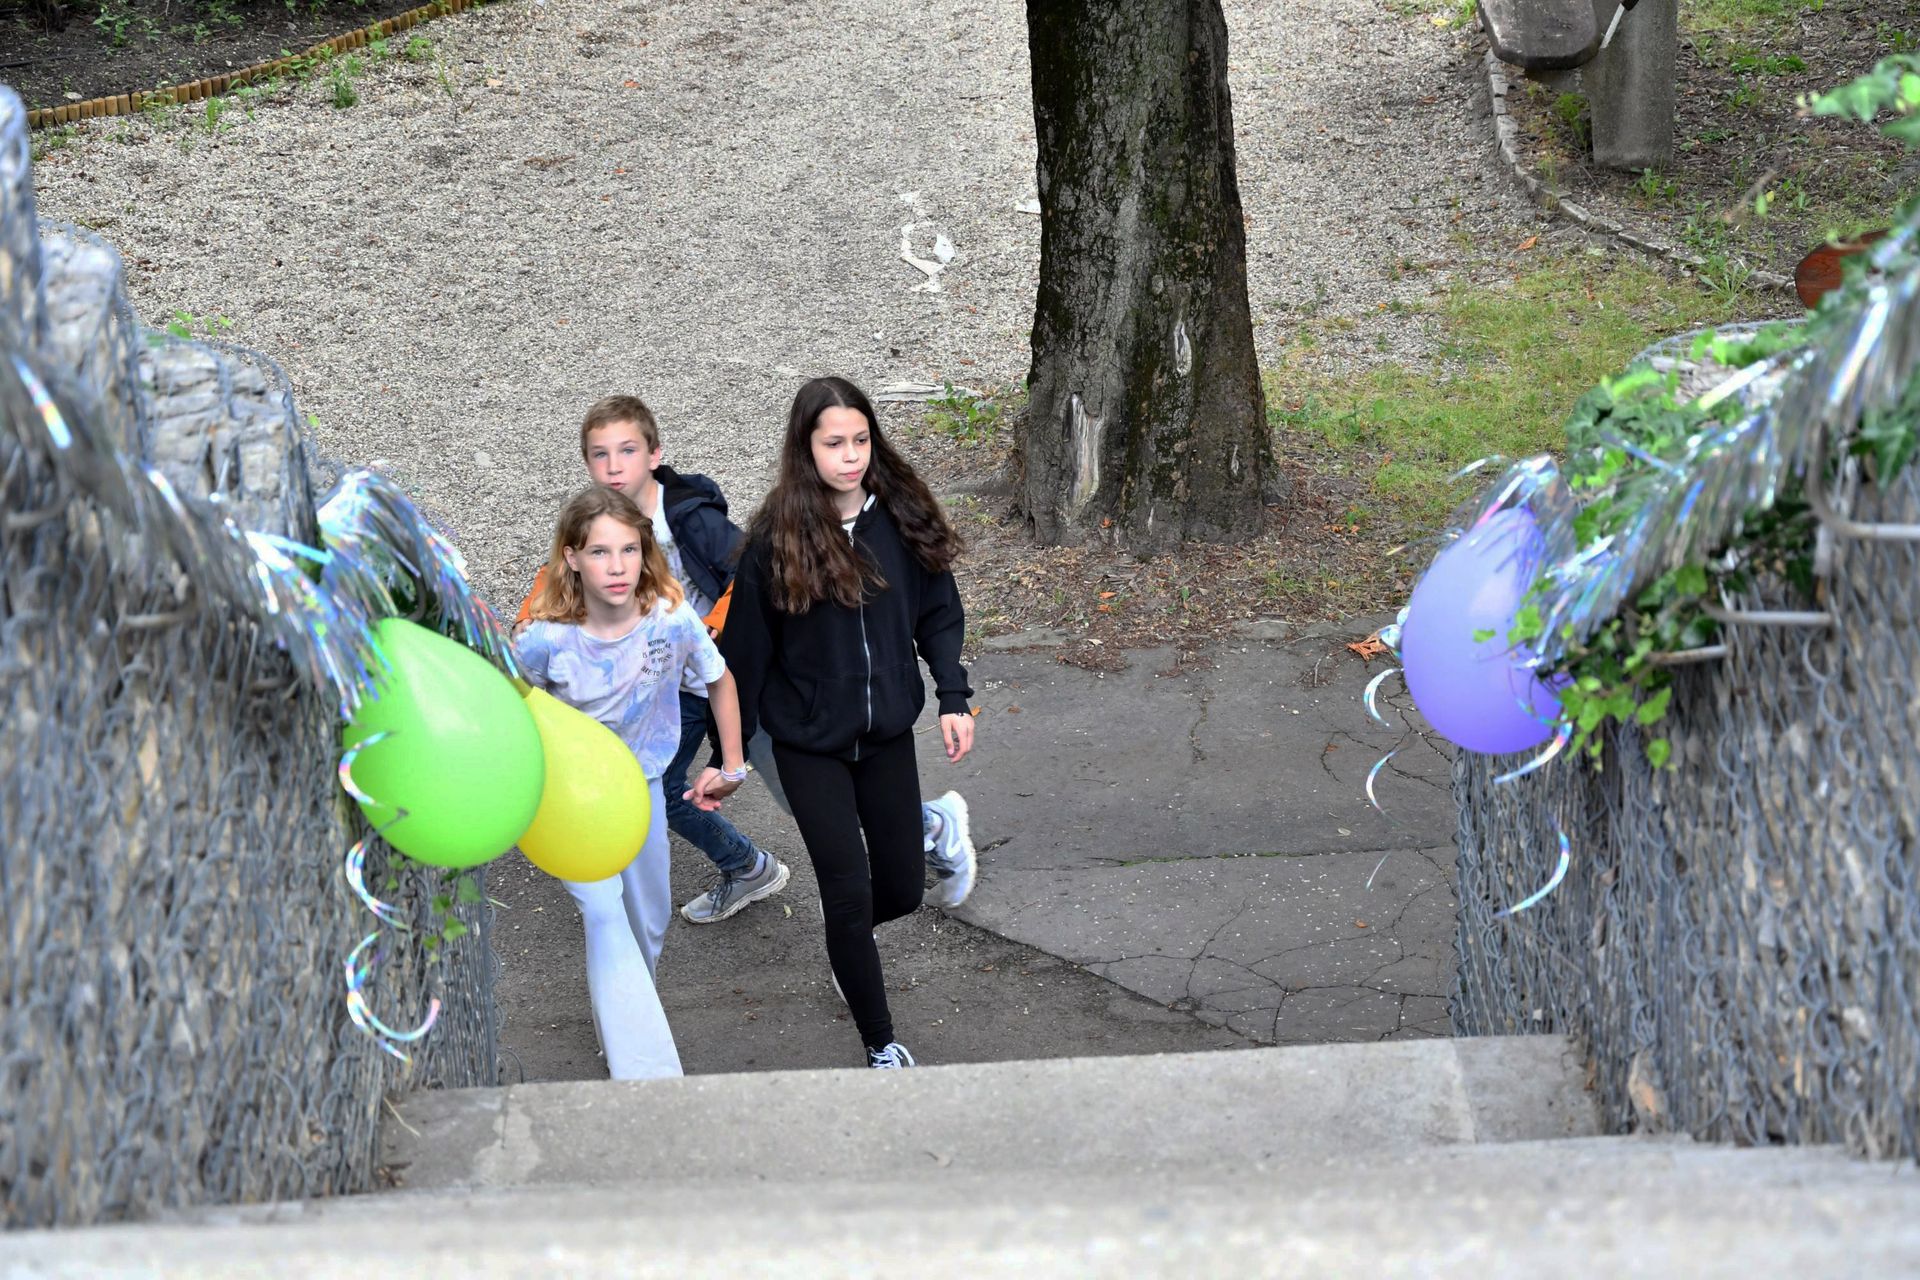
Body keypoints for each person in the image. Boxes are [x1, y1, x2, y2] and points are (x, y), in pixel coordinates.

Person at [517, 395, 977, 923]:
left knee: (799, 795)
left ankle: (926, 825)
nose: (614, 466)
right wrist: (531, 619)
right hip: (675, 683)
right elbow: (562, 575)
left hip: (732, 675)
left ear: (655, 454)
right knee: (672, 789)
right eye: (601, 455)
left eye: (627, 451)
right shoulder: (598, 525)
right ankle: (748, 867)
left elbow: (751, 572)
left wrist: (715, 627)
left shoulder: (689, 516)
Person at [695, 376, 975, 1069]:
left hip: (885, 739)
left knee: (901, 890)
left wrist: (953, 696)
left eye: (860, 440)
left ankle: (851, 941)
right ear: (806, 449)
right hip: (808, 745)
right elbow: (742, 661)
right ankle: (881, 1045)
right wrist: (729, 760)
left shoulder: (902, 519)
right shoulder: (775, 544)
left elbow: (938, 612)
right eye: (833, 444)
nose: (850, 456)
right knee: (847, 893)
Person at [515, 485, 749, 1080]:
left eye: (628, 550)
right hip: (571, 799)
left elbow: (719, 679)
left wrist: (733, 762)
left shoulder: (670, 619)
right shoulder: (544, 639)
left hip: (641, 787)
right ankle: (638, 1064)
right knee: (604, 914)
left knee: (648, 921)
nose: (616, 566)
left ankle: (622, 1019)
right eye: (599, 552)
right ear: (571, 558)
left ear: (645, 552)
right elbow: (516, 709)